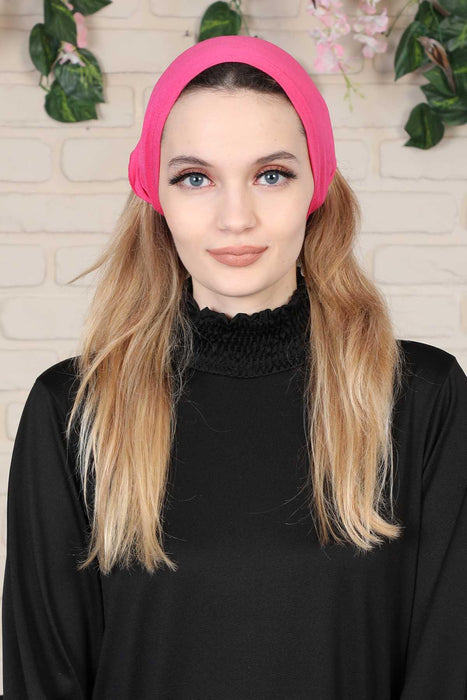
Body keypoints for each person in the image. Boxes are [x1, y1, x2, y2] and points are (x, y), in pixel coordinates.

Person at [2, 35, 467, 700]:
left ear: (316, 187)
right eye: (196, 178)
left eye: (270, 175)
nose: (236, 217)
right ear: (156, 196)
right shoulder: (73, 409)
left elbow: (448, 664)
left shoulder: (422, 399)